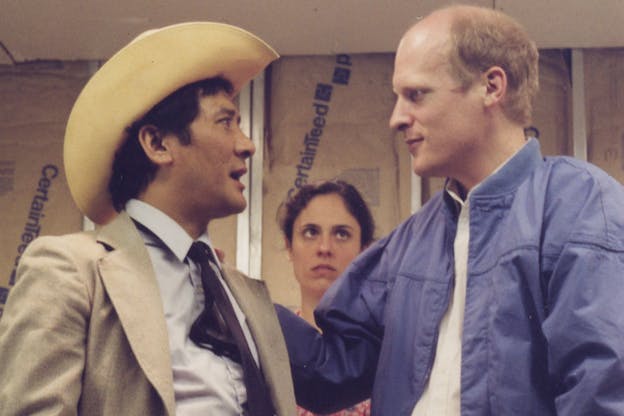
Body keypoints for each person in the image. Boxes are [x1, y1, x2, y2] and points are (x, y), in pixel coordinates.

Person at [276, 4, 624, 416]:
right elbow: (331, 372)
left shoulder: (579, 204)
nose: (396, 119)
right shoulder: (407, 244)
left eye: (416, 95)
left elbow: (601, 393)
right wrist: (230, 296)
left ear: (491, 87)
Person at [0, 22, 295, 415]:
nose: (248, 145)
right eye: (226, 122)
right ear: (157, 144)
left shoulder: (245, 295)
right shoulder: (70, 270)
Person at [277, 180, 375, 416]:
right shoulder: (267, 344)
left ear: (365, 250)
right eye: (310, 232)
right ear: (289, 247)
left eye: (341, 234)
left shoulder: (384, 350)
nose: (324, 247)